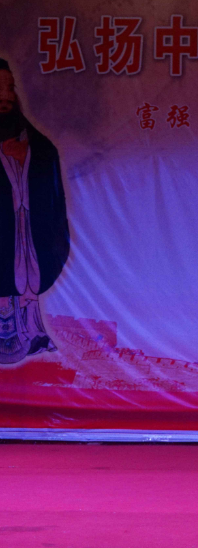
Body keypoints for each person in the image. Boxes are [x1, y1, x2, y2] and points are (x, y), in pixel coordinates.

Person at [0, 58, 69, 364]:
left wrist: (25, 155)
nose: (5, 96)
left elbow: (46, 157)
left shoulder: (33, 141)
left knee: (26, 279)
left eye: (10, 88)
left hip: (26, 229)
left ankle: (31, 333)